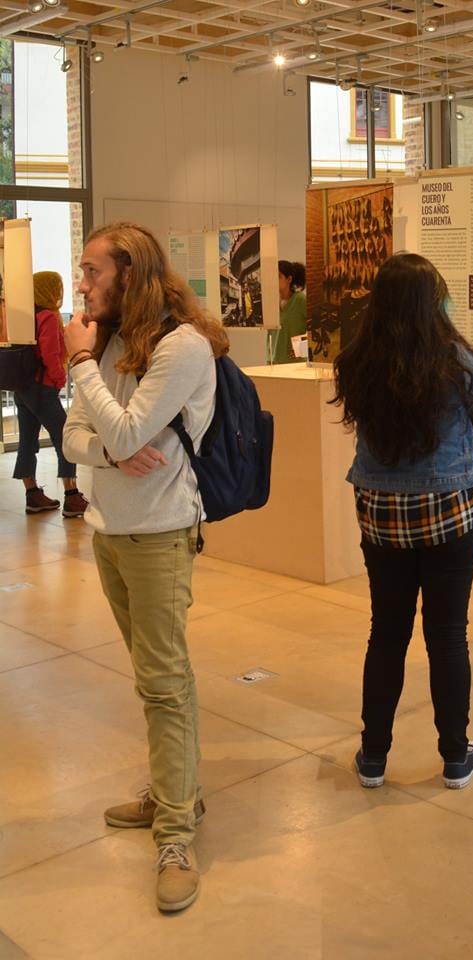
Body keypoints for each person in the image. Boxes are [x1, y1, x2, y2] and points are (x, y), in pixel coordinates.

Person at [62, 222, 229, 912]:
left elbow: (127, 428)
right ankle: (173, 789)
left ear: (129, 273)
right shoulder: (110, 344)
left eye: (92, 271)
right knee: (152, 679)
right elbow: (78, 438)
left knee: (164, 683)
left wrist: (80, 371)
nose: (82, 284)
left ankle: (176, 832)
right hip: (110, 532)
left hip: (160, 535)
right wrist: (108, 451)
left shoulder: (182, 348)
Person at [331, 253, 473, 791]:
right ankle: (454, 755)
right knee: (448, 635)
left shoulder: (357, 359)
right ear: (434, 303)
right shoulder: (459, 360)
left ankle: (373, 757)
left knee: (387, 632)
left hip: (380, 514)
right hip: (449, 509)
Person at [12, 272, 86, 518]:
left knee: (27, 440)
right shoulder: (49, 317)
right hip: (42, 387)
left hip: (22, 387)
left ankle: (32, 494)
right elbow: (51, 354)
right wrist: (59, 380)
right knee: (65, 437)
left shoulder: (25, 316)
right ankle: (72, 497)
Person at [269, 259, 307, 364]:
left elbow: (314, 328)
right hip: (274, 361)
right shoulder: (271, 303)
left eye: (279, 276)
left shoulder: (300, 300)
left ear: (289, 279)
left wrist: (300, 347)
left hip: (295, 363)